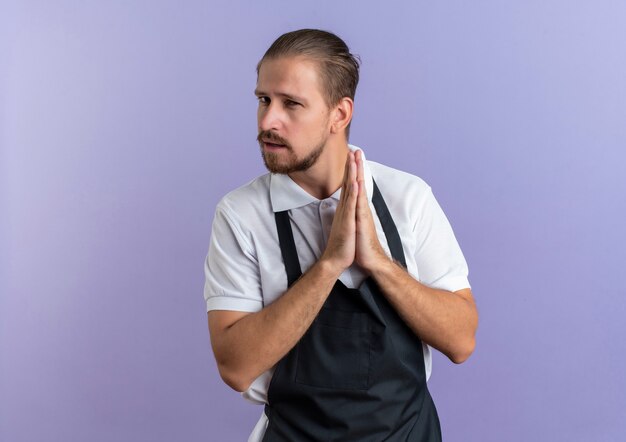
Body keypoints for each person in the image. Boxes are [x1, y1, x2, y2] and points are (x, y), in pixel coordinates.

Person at [204, 28, 478, 441]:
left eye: (291, 104)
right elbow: (236, 367)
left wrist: (378, 263)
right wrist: (329, 263)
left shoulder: (407, 197)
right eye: (264, 100)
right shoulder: (240, 214)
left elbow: (461, 340)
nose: (268, 120)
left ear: (340, 114)